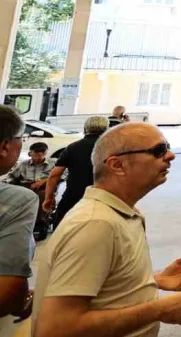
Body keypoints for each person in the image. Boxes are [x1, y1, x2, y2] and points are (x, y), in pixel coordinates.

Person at [32, 122, 181, 337]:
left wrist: (150, 281)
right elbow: (54, 332)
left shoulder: (123, 213)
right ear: (117, 165)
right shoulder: (96, 224)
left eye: (167, 147)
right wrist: (157, 310)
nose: (170, 156)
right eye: (159, 151)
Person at [0, 106, 37, 319]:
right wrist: (22, 300)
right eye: (21, 138)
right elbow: (5, 295)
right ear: (5, 145)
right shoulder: (17, 201)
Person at [43, 115, 108, 227]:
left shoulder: (73, 147)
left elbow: (55, 175)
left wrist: (49, 198)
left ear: (84, 129)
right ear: (107, 129)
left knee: (61, 229)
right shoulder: (114, 148)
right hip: (104, 198)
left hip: (73, 197)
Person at [4, 141, 54, 240]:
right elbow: (11, 178)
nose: (40, 155)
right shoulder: (23, 165)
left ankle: (40, 223)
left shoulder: (53, 163)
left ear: (46, 152)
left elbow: (63, 175)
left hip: (44, 188)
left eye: (42, 152)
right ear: (30, 153)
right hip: (26, 186)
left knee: (42, 195)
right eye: (36, 153)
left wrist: (43, 181)